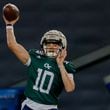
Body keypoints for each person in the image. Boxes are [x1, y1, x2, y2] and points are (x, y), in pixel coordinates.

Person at [3, 15, 76, 110]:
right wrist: (9, 25)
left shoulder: (66, 66)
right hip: (29, 106)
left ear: (63, 47)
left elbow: (70, 88)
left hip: (50, 108)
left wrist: (60, 65)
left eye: (55, 44)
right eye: (48, 43)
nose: (51, 46)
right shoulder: (35, 57)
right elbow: (12, 45)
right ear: (43, 45)